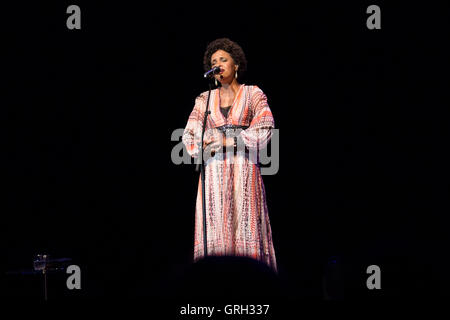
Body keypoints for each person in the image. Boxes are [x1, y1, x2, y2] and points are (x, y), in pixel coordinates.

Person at [182, 38, 277, 272]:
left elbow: (265, 126)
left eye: (223, 59)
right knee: (215, 230)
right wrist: (206, 146)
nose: (218, 64)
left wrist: (227, 140)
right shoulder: (204, 100)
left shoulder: (252, 93)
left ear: (236, 65)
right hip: (213, 174)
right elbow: (189, 135)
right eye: (214, 61)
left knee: (245, 225)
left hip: (244, 168)